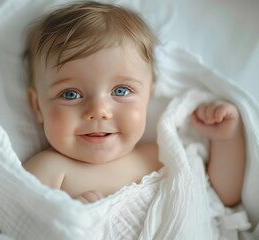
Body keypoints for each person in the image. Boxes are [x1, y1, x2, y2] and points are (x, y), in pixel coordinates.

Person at [23, 1, 246, 206]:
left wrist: (225, 139)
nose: (99, 111)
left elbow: (222, 198)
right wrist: (70, 220)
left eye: (121, 91)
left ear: (148, 96)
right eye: (71, 94)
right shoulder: (46, 171)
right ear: (38, 105)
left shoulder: (161, 155)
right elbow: (21, 226)